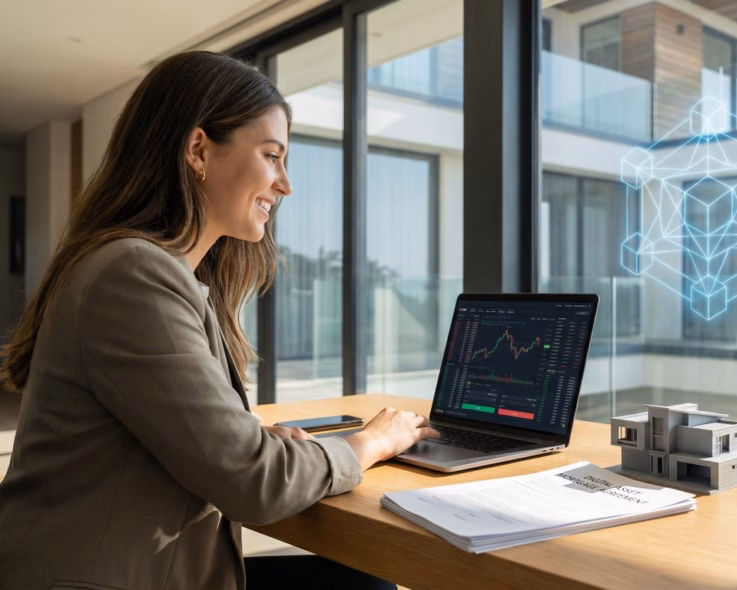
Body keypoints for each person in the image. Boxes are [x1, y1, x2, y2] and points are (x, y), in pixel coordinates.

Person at [0, 50, 438, 590]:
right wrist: (372, 442)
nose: (285, 185)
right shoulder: (132, 276)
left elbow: (207, 447)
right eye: (272, 156)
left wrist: (249, 442)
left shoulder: (153, 272)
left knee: (359, 582)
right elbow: (252, 482)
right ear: (199, 150)